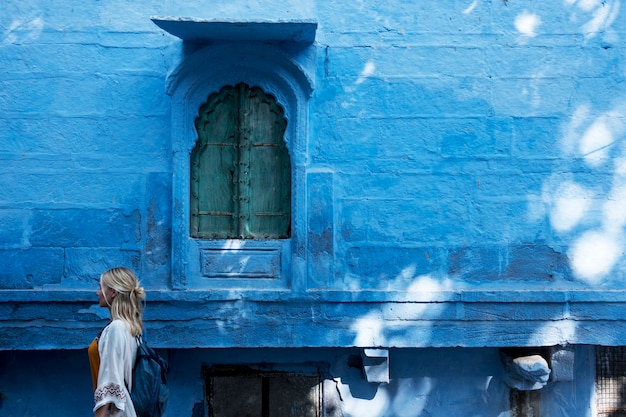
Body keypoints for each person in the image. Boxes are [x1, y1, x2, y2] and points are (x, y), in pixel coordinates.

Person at [88, 267, 145, 417]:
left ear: (113, 292)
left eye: (101, 288)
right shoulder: (130, 327)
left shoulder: (116, 328)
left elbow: (110, 381)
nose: (97, 292)